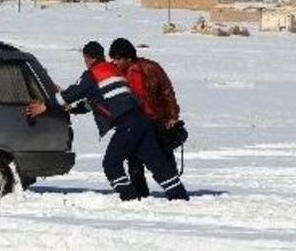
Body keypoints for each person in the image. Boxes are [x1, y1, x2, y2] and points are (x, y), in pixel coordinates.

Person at [26, 41, 188, 201]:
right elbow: (97, 101)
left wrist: (45, 106)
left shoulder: (93, 74)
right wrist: (72, 108)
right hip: (142, 120)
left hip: (128, 123)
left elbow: (71, 94)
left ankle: (130, 197)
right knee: (157, 163)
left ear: (88, 58)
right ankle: (179, 196)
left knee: (111, 163)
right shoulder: (113, 71)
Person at [109, 38, 184, 200]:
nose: (114, 62)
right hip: (132, 123)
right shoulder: (114, 73)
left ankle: (175, 190)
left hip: (155, 120)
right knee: (133, 159)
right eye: (113, 58)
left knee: (163, 157)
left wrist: (172, 117)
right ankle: (140, 193)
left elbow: (167, 92)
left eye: (118, 58)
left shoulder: (150, 68)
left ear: (129, 58)